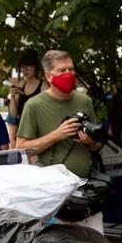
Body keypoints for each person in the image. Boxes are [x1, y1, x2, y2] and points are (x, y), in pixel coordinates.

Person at [15, 49, 103, 230]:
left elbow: (97, 145)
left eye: (71, 69)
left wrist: (90, 142)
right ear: (49, 76)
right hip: (51, 195)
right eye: (62, 71)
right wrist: (57, 134)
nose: (68, 74)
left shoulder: (84, 101)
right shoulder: (34, 105)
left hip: (85, 190)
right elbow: (21, 148)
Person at [7, 49, 46, 146]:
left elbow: (46, 110)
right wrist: (12, 96)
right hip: (23, 129)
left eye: (28, 66)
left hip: (39, 129)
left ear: (35, 67)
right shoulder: (20, 85)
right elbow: (14, 114)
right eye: (22, 67)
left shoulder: (43, 86)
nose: (25, 70)